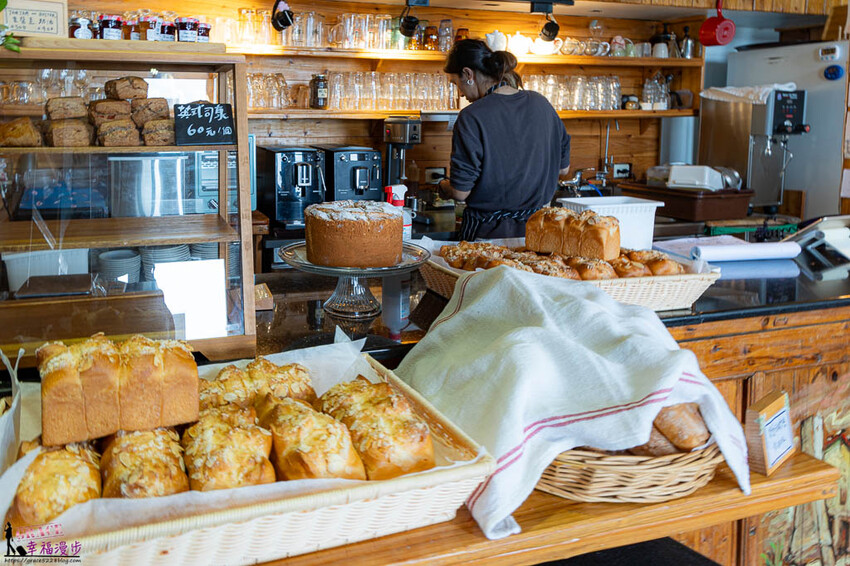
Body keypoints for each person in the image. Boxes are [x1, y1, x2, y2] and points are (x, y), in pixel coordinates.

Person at [437, 39, 571, 240]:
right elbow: (563, 170)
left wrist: (442, 186)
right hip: (538, 233)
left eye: (456, 84)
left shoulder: (471, 116)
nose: (460, 93)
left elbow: (460, 192)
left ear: (468, 74)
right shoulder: (541, 104)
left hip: (488, 236)